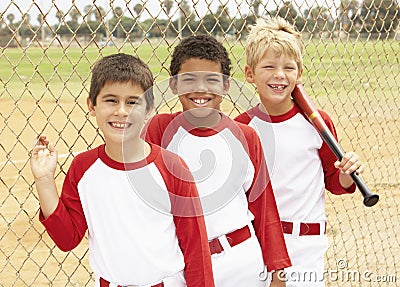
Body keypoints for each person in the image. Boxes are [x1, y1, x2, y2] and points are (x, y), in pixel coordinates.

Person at [30, 53, 215, 287]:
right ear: (92, 105)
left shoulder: (172, 167)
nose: (122, 111)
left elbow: (196, 247)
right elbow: (67, 239)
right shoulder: (84, 168)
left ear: (149, 109)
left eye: (132, 102)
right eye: (111, 100)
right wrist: (45, 180)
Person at [143, 34, 291, 287]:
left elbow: (264, 208)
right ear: (174, 86)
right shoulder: (160, 130)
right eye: (189, 80)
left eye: (212, 80)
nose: (201, 89)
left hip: (240, 260)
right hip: (181, 263)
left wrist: (278, 271)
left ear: (225, 86)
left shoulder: (246, 137)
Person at [235, 17, 365, 287]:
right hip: (259, 241)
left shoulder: (316, 123)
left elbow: (336, 183)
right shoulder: (242, 128)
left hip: (306, 245)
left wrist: (348, 173)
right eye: (268, 67)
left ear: (299, 73)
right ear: (250, 74)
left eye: (288, 68)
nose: (279, 75)